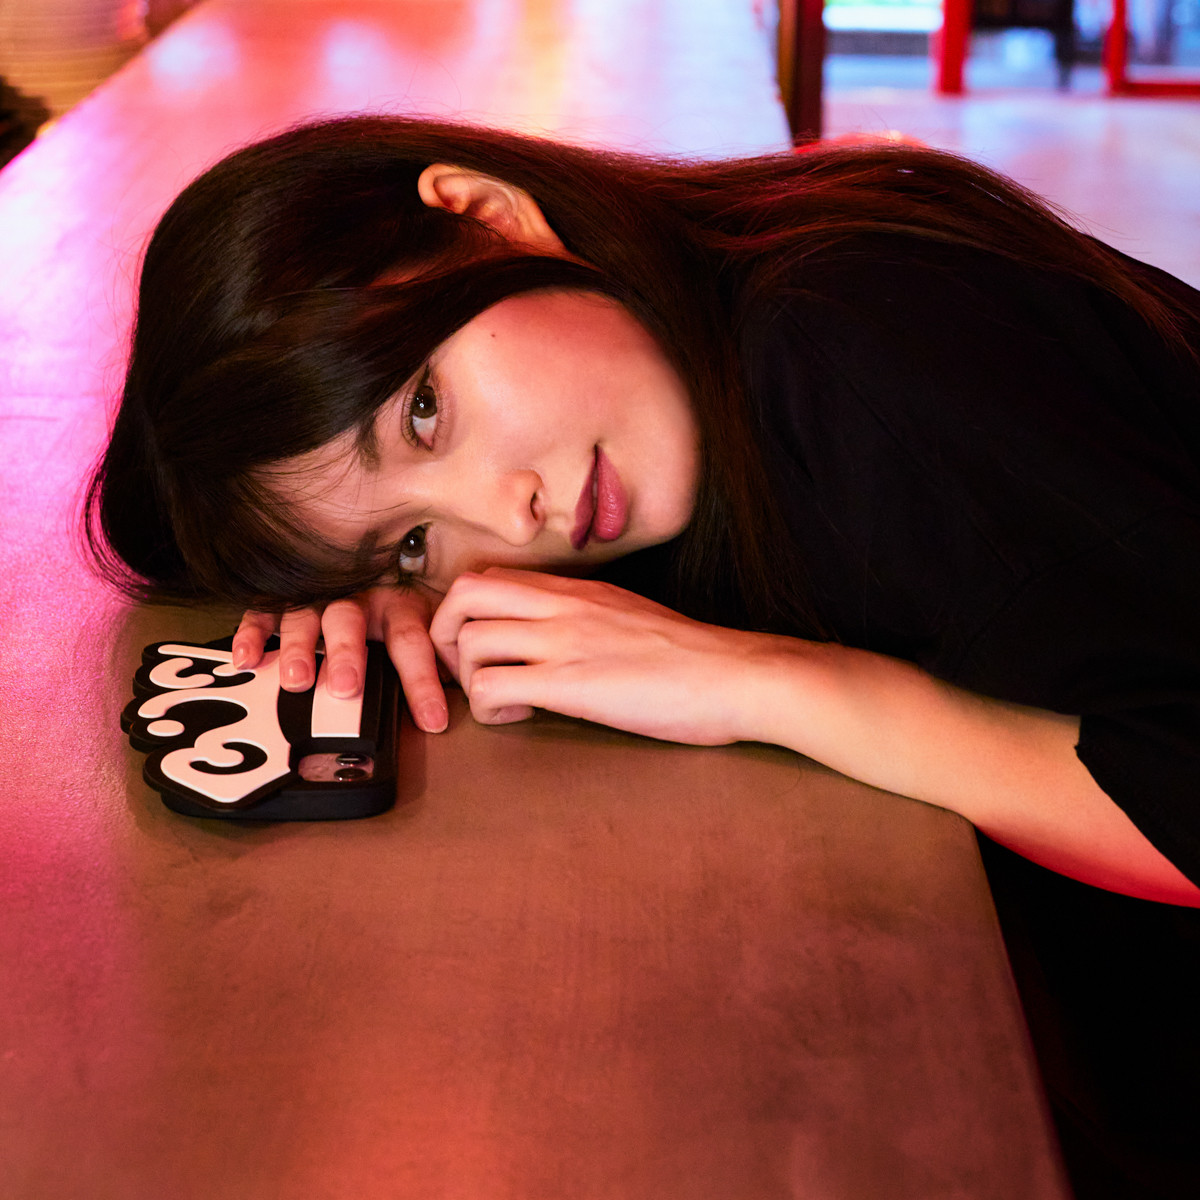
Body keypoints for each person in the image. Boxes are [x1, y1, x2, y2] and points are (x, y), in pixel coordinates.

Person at [88, 116, 1199, 1195]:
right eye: (414, 538)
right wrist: (383, 598)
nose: (510, 516)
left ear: (485, 216)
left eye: (424, 413)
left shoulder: (850, 358)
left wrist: (775, 688)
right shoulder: (709, 355)